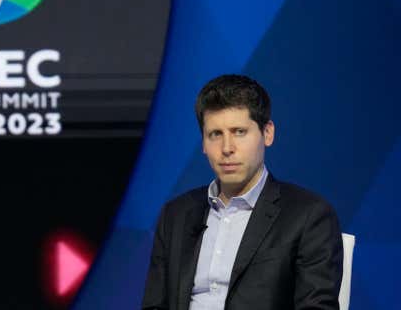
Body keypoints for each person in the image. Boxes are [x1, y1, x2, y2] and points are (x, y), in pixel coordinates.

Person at [142, 75, 343, 310]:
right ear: (203, 144)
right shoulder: (175, 215)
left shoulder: (309, 215)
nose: (227, 148)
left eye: (239, 132)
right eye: (215, 134)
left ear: (267, 133)